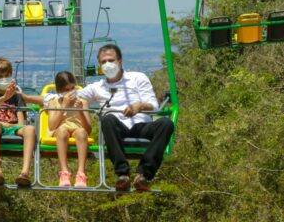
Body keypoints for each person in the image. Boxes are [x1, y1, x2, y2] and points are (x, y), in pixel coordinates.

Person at [76, 44, 174, 191]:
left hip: (140, 125)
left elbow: (153, 106)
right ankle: (123, 173)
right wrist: (31, 98)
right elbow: (69, 96)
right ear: (99, 65)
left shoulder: (137, 78)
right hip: (117, 128)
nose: (107, 64)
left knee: (166, 124)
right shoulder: (97, 87)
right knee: (107, 118)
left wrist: (138, 107)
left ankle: (144, 174)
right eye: (103, 62)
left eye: (111, 60)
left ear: (120, 61)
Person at [18, 72, 92, 188]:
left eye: (73, 88)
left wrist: (81, 112)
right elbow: (52, 125)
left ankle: (81, 173)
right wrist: (64, 107)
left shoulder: (83, 102)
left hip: (77, 129)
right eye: (67, 90)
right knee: (62, 131)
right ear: (59, 91)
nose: (70, 92)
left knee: (82, 132)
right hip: (60, 130)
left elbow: (88, 129)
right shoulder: (53, 101)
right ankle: (64, 171)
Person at [0, 57, 35, 187]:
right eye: (0, 76)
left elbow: (21, 121)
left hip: (13, 127)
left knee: (30, 129)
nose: (4, 79)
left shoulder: (16, 96)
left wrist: (12, 125)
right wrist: (4, 98)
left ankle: (25, 173)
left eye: (7, 76)